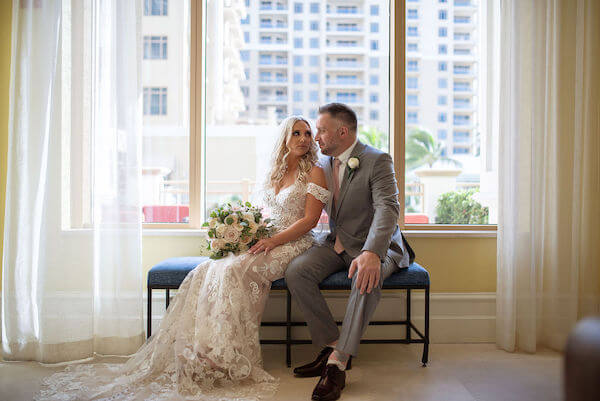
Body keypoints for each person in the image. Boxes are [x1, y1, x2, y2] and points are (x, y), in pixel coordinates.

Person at [34, 116, 331, 401]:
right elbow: (262, 215)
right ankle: (204, 350)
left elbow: (309, 220)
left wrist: (271, 241)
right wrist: (248, 236)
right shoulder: (273, 174)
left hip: (295, 243)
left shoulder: (315, 172)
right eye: (297, 133)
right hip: (266, 240)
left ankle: (226, 356)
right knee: (207, 270)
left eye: (307, 134)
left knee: (232, 272)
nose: (304, 139)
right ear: (284, 139)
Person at [285, 103, 415, 401]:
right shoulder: (324, 164)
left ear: (341, 132)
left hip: (377, 245)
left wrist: (372, 252)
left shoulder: (376, 159)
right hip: (337, 242)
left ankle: (337, 365)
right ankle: (332, 345)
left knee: (364, 276)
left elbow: (388, 208)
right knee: (297, 271)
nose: (315, 137)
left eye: (320, 130)